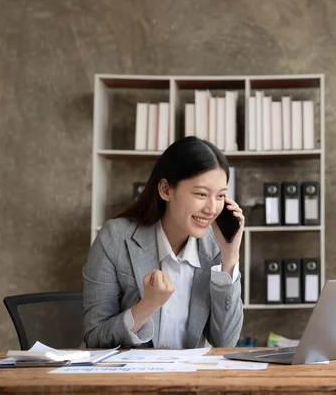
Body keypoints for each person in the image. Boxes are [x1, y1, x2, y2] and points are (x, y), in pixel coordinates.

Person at [82, 136, 244, 349]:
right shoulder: (116, 238)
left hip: (191, 378)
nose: (212, 208)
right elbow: (94, 338)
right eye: (201, 194)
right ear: (166, 190)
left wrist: (230, 259)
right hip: (132, 379)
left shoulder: (216, 248)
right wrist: (148, 305)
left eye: (221, 196)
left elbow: (226, 341)